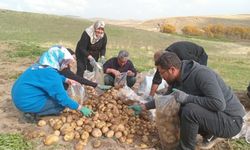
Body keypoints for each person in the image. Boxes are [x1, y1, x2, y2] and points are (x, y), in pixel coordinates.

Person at [129, 52, 245, 150]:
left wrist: (187, 98)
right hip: (216, 116)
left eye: (161, 73)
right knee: (178, 107)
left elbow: (219, 104)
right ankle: (207, 133)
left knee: (189, 110)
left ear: (172, 70)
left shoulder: (201, 74)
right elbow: (167, 98)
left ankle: (186, 147)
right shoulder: (177, 78)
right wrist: (144, 106)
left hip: (231, 121)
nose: (161, 76)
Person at [11, 46, 94, 123]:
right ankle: (31, 114)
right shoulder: (51, 74)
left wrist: (66, 79)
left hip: (19, 97)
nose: (66, 65)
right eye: (64, 62)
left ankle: (33, 108)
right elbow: (63, 99)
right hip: (26, 103)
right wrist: (81, 108)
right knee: (61, 105)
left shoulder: (40, 66)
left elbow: (48, 78)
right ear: (58, 59)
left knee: (54, 95)